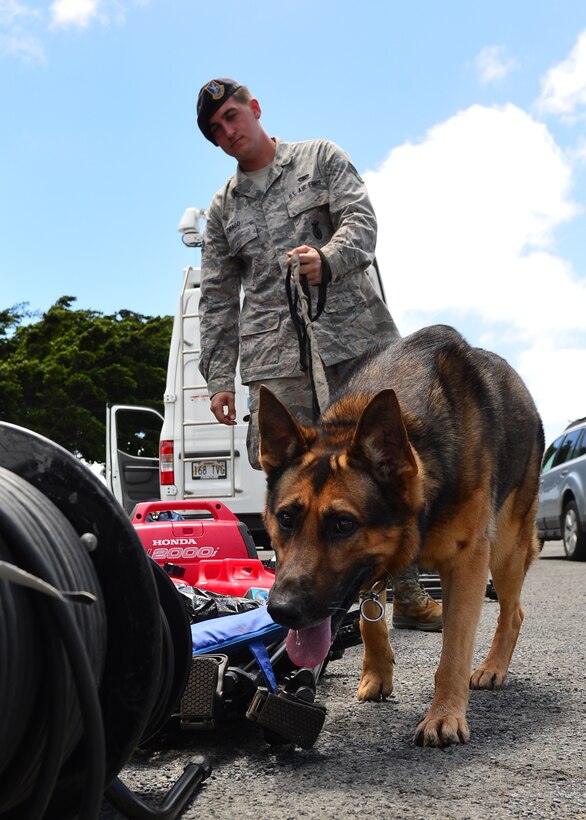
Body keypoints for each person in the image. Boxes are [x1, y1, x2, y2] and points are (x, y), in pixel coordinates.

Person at [195, 77, 442, 632]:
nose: (228, 130)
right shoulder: (221, 210)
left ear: (255, 109)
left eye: (233, 115)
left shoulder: (319, 158)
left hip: (352, 341)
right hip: (273, 361)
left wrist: (328, 258)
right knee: (293, 490)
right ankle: (305, 609)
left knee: (377, 476)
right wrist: (218, 377)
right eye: (216, 129)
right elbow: (216, 297)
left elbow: (362, 221)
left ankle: (406, 597)